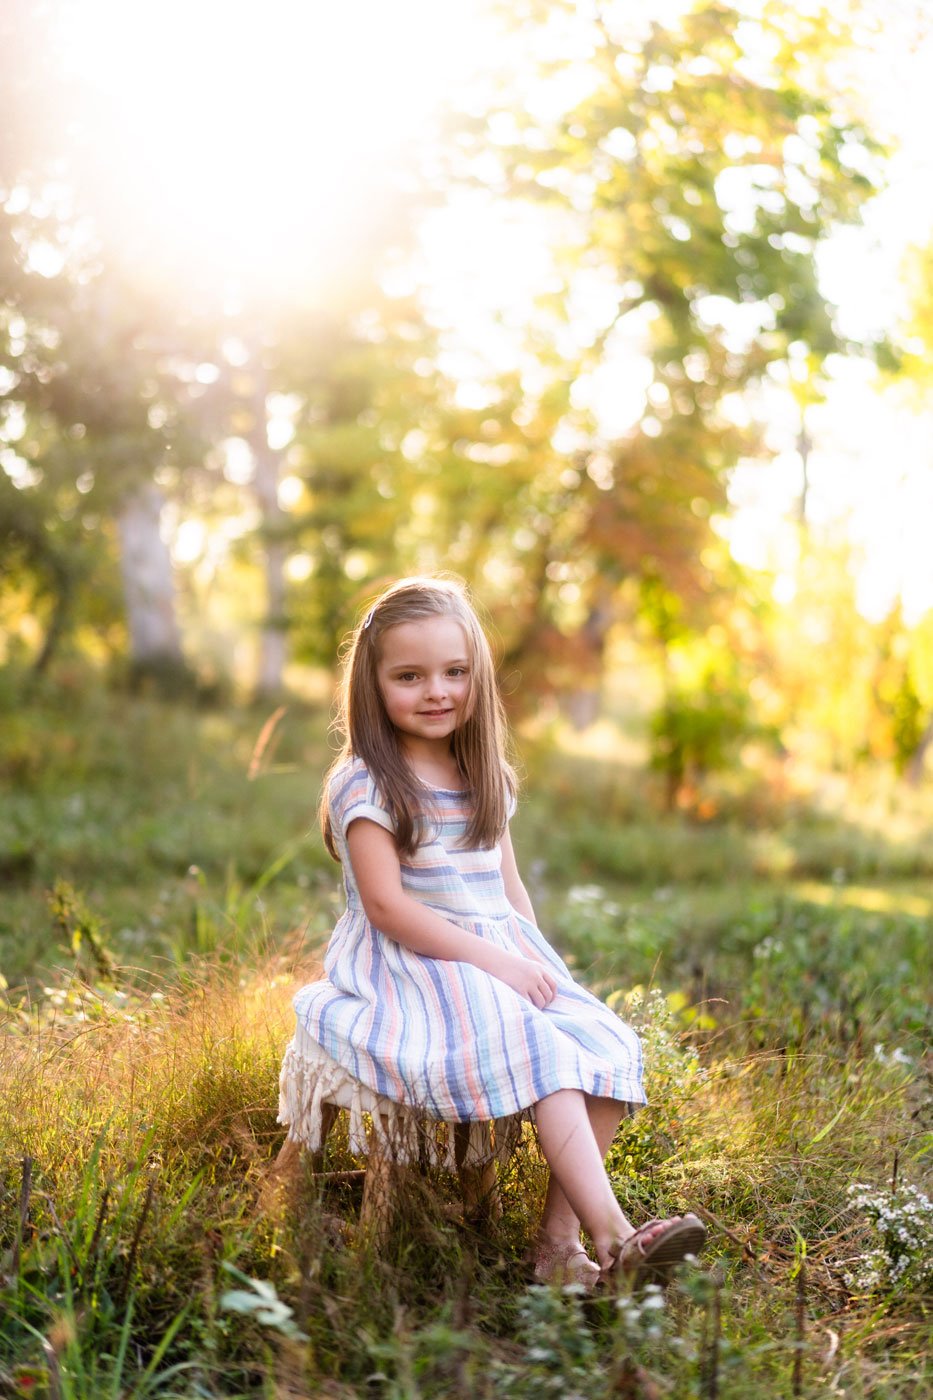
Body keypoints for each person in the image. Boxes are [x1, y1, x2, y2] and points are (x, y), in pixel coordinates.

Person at [279, 576, 705, 1285]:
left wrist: (541, 969)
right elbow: (387, 908)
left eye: (454, 672)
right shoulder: (366, 783)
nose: (436, 690)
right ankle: (616, 1238)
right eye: (409, 676)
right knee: (538, 1046)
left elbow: (507, 891)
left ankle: (555, 1249)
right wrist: (497, 966)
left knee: (601, 1043)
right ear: (372, 685)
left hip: (489, 958)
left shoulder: (484, 776)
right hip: (410, 967)